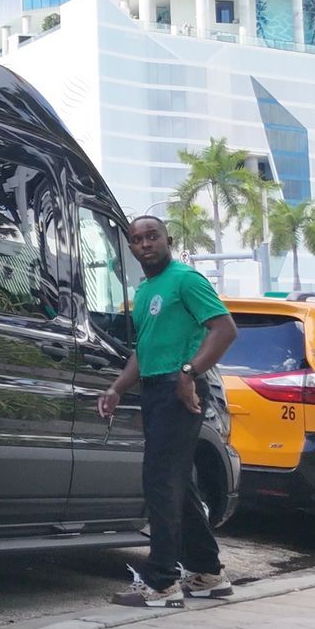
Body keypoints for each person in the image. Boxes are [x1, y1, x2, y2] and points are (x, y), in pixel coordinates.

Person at [98, 215, 238, 608]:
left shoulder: (185, 280)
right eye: (137, 239)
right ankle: (208, 573)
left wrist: (189, 372)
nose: (145, 243)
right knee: (177, 484)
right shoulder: (144, 292)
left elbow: (224, 329)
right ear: (131, 247)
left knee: (160, 484)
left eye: (152, 236)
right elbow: (143, 352)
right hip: (156, 391)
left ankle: (161, 582)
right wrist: (116, 388)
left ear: (168, 240)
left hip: (182, 391)